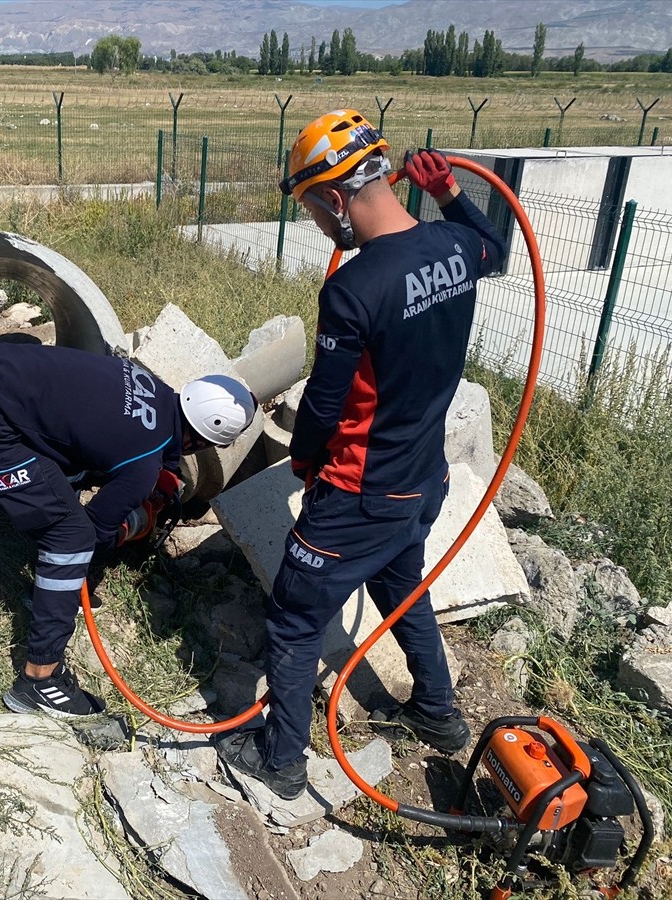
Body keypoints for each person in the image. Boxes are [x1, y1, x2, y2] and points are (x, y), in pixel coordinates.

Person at [216, 109, 508, 800]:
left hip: (360, 495)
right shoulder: (454, 245)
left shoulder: (352, 289)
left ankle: (281, 762)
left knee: (294, 618)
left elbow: (323, 404)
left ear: (335, 198)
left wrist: (304, 462)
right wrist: (449, 195)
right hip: (422, 480)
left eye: (314, 208)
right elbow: (494, 247)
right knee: (401, 587)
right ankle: (438, 713)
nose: (319, 223)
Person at [0, 343, 257, 718]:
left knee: (73, 475)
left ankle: (52, 589)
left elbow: (131, 436)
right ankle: (39, 679)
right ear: (201, 440)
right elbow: (97, 529)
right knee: (72, 537)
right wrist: (132, 526)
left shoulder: (153, 386)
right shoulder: (142, 466)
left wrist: (161, 478)